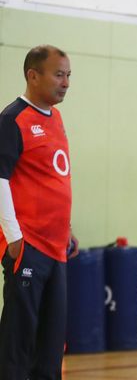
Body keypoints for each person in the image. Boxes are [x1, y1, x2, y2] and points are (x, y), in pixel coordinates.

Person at [0, 45, 79, 379]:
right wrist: (13, 236)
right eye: (59, 75)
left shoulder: (56, 118)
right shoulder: (12, 120)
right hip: (27, 247)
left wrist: (67, 227)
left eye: (68, 76)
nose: (66, 83)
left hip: (56, 248)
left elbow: (53, 178)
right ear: (33, 75)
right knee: (19, 342)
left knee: (51, 344)